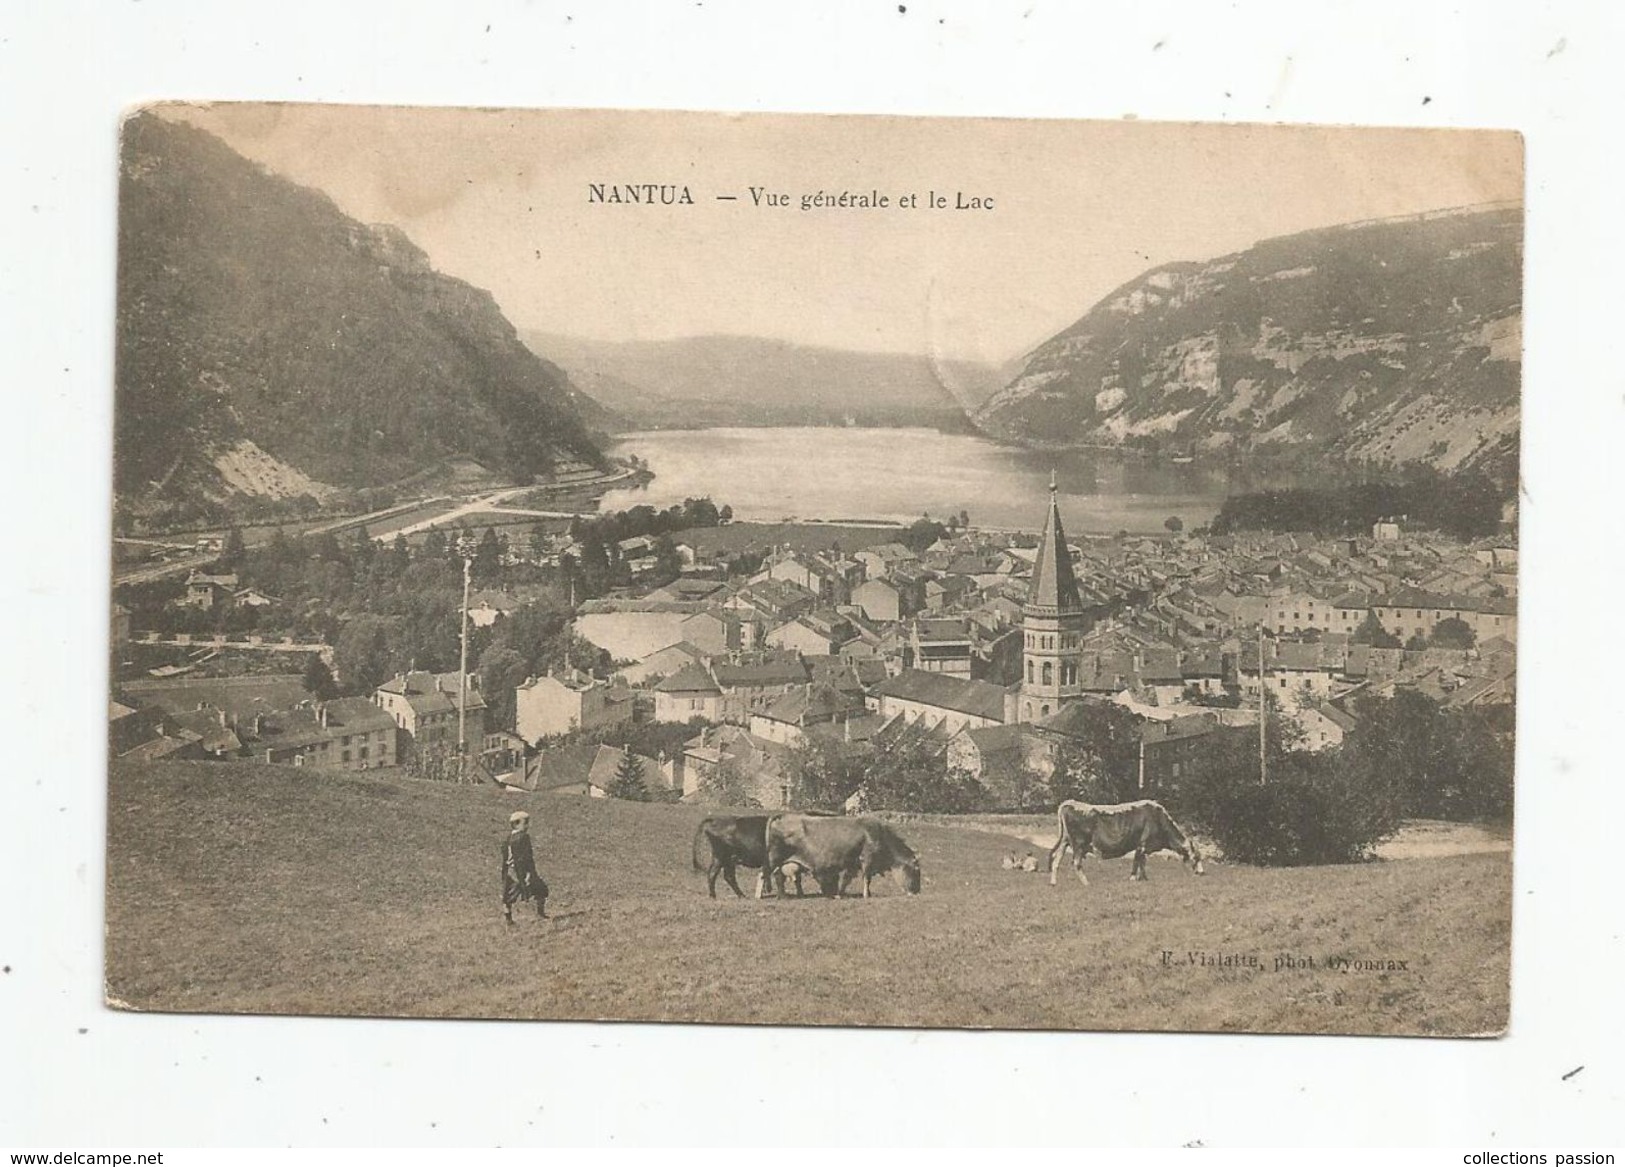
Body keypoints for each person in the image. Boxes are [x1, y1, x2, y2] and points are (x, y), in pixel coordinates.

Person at [500, 810, 549, 924]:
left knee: (507, 896)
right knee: (541, 889)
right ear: (516, 823)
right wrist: (529, 873)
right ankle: (540, 913)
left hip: (510, 872)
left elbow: (505, 857)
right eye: (525, 822)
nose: (527, 825)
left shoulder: (507, 839)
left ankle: (509, 919)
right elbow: (526, 857)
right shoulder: (523, 837)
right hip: (521, 872)